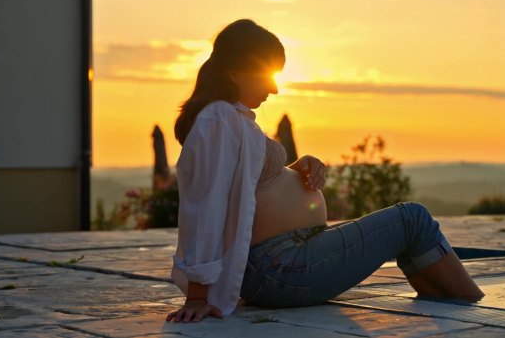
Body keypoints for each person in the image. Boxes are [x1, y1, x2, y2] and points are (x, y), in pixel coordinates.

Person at [165, 19, 484, 324]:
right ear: (235, 71)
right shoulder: (218, 119)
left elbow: (249, 182)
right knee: (412, 219)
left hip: (282, 259)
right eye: (269, 74)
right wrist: (197, 295)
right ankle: (479, 316)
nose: (275, 89)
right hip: (276, 268)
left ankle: (458, 312)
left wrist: (297, 167)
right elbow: (205, 206)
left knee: (411, 233)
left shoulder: (228, 118)